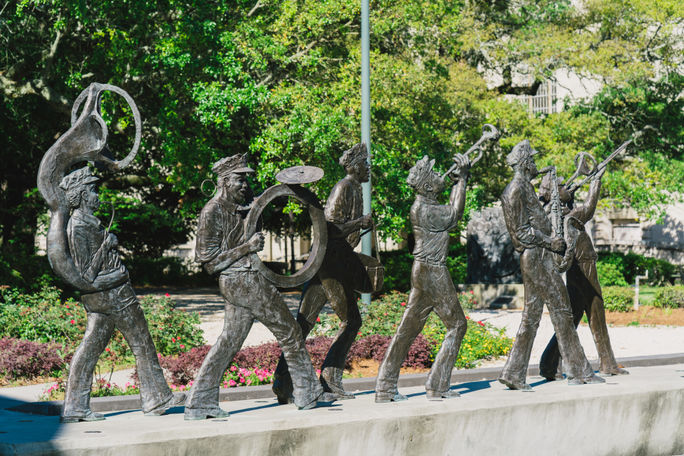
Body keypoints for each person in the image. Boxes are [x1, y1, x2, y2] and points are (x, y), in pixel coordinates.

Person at [185, 154, 333, 420]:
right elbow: (209, 264)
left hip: (246, 280)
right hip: (242, 281)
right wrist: (248, 247)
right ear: (223, 182)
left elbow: (264, 203)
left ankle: (200, 401)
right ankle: (306, 391)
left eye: (246, 180)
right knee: (290, 331)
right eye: (239, 179)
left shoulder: (245, 208)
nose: (245, 184)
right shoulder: (212, 211)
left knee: (229, 341)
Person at [60, 167, 183, 423]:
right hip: (113, 294)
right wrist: (107, 247)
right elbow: (87, 276)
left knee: (92, 347)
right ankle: (156, 398)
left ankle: (75, 407)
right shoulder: (78, 227)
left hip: (109, 294)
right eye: (93, 191)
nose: (97, 195)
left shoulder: (87, 223)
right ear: (82, 196)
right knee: (141, 342)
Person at [272, 143, 374, 403]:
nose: (369, 167)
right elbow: (328, 228)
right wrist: (359, 222)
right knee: (352, 321)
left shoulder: (355, 188)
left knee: (303, 322)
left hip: (331, 261)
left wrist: (359, 226)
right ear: (354, 166)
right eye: (365, 163)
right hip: (331, 263)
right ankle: (329, 380)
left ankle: (283, 382)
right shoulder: (344, 187)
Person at [499, 140, 603, 390]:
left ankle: (513, 373)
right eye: (532, 160)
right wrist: (551, 241)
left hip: (540, 255)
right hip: (537, 257)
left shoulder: (524, 187)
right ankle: (580, 371)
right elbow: (519, 235)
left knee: (531, 318)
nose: (536, 164)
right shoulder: (515, 190)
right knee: (562, 311)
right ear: (524, 164)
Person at [375, 154, 470, 402]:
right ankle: (437, 385)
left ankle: (385, 386)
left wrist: (457, 184)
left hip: (424, 270)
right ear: (428, 186)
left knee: (407, 329)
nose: (442, 177)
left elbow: (450, 211)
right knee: (458, 325)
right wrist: (463, 181)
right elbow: (455, 213)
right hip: (433, 271)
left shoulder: (423, 206)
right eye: (436, 176)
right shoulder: (426, 209)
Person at [537, 167, 628, 380]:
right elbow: (589, 208)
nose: (567, 186)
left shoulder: (556, 215)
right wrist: (596, 180)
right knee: (596, 311)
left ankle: (549, 364)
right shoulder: (571, 216)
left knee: (573, 319)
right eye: (562, 186)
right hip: (584, 267)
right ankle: (607, 363)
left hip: (578, 268)